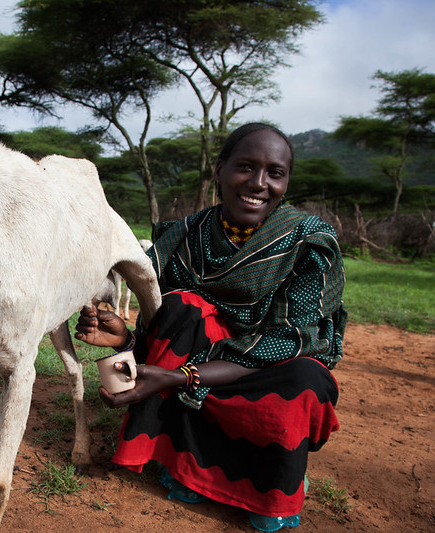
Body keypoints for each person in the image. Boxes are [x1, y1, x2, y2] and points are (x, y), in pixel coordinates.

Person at [75, 123, 347, 532]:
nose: (258, 183)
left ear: (286, 183)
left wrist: (178, 376)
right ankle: (178, 461)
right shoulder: (179, 237)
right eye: (245, 167)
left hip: (269, 369)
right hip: (195, 368)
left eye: (275, 173)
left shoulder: (310, 244)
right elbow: (165, 333)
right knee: (183, 305)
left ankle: (268, 485)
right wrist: (125, 339)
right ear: (219, 170)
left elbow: (288, 340)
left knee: (305, 380)